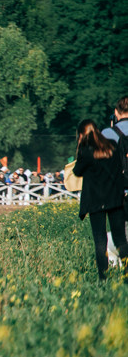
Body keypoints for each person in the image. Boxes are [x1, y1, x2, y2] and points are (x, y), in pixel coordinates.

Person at [73, 119, 128, 280]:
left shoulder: (86, 150)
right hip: (115, 198)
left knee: (100, 241)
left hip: (96, 201)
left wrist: (79, 148)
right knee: (121, 240)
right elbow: (120, 167)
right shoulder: (112, 145)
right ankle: (126, 274)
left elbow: (77, 171)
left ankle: (103, 278)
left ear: (82, 134)